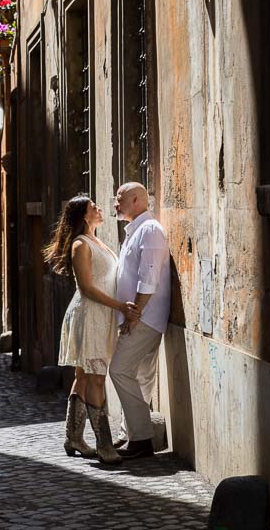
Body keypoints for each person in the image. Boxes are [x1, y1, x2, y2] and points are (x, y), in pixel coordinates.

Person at [44, 194, 139, 465]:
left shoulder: (97, 241)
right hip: (90, 315)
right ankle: (105, 445)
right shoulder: (80, 245)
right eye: (93, 207)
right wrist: (120, 305)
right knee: (96, 378)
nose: (99, 209)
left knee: (84, 377)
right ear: (85, 216)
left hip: (103, 314)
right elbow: (87, 288)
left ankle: (73, 437)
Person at [109, 182, 171, 459]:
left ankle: (142, 440)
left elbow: (148, 279)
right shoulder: (135, 231)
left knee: (119, 370)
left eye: (119, 198)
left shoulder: (150, 230)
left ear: (135, 199)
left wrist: (134, 316)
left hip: (145, 318)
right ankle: (130, 434)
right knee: (142, 376)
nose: (115, 204)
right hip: (140, 316)